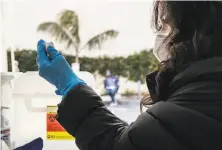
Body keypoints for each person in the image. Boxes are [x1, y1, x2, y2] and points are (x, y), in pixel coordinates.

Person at [36, 1, 222, 149]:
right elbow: (142, 140)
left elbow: (122, 145)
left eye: (167, 26)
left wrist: (69, 86)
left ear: (200, 31)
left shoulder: (205, 95)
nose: (161, 37)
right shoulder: (204, 89)